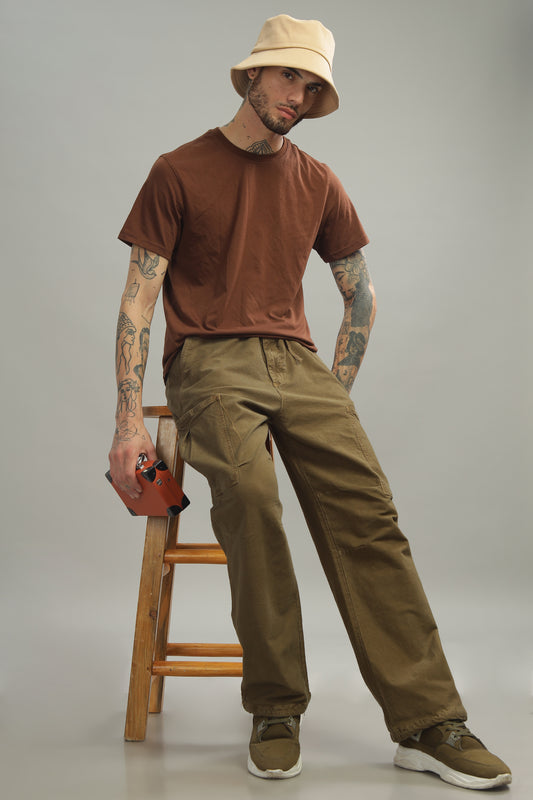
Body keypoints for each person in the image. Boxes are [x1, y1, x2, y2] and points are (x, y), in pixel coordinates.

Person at [108, 14, 511, 790]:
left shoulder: (318, 180)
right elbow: (137, 300)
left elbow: (360, 296)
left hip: (297, 365)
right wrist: (128, 422)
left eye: (313, 84)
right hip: (209, 359)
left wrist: (334, 394)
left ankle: (428, 721)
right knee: (252, 499)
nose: (299, 94)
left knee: (369, 512)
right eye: (289, 75)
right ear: (252, 75)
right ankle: (275, 707)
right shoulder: (177, 170)